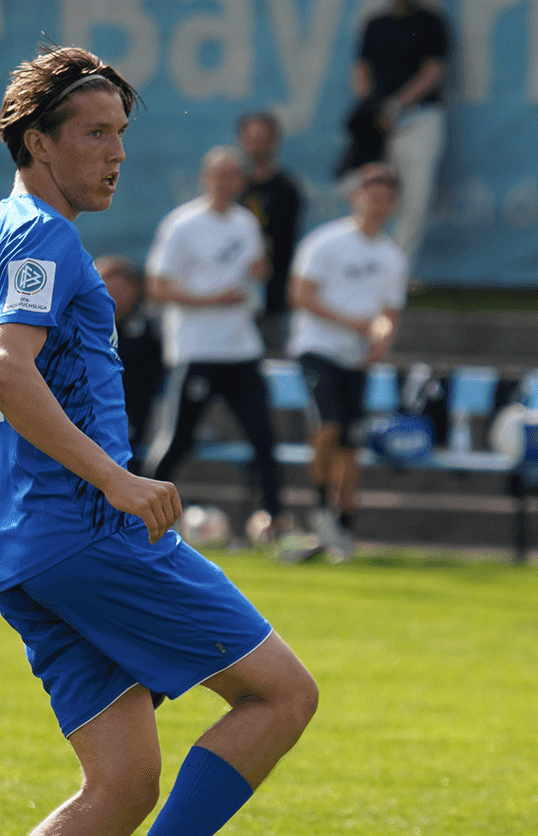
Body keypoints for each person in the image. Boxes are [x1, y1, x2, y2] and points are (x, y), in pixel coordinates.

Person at [0, 43, 318, 836]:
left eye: (121, 134)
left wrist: (26, 508)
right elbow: (5, 376)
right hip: (90, 537)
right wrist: (115, 482)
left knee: (126, 780)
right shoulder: (43, 238)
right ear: (37, 142)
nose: (114, 153)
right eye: (94, 133)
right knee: (282, 694)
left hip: (24, 551)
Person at [144, 146, 284, 543]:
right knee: (176, 440)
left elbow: (255, 275)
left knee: (264, 440)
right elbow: (157, 286)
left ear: (242, 181)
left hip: (241, 349)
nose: (226, 184)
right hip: (196, 349)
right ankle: (142, 520)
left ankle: (272, 522)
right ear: (206, 179)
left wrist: (261, 271)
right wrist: (210, 300)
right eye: (218, 175)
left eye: (233, 176)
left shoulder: (246, 223)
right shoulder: (182, 225)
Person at [289, 162, 408, 562]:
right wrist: (353, 323)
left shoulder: (392, 256)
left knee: (349, 443)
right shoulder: (327, 242)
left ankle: (343, 526)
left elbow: (388, 314)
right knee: (328, 427)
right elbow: (302, 295)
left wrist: (380, 338)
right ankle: (321, 510)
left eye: (386, 196)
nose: (378, 203)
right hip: (319, 349)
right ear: (357, 196)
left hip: (357, 361)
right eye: (371, 194)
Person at [350, 0, 448, 270]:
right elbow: (361, 68)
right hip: (379, 124)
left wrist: (397, 105)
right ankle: (366, 265)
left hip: (420, 119)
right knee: (371, 192)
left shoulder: (432, 23)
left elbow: (433, 71)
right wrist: (373, 108)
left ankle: (397, 272)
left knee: (416, 197)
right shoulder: (375, 24)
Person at [94, 255, 165, 470]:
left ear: (134, 289)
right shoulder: (84, 327)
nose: (111, 295)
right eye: (104, 287)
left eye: (118, 288)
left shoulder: (151, 328)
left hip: (137, 410)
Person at [236, 111, 304, 333]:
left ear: (275, 142)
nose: (257, 146)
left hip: (273, 299)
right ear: (242, 141)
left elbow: (284, 242)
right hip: (229, 296)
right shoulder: (233, 188)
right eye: (252, 139)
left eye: (263, 140)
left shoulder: (287, 190)